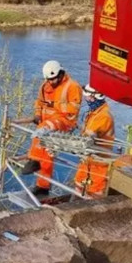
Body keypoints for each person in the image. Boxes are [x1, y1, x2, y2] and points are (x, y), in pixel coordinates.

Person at [19, 60, 83, 195]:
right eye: (49, 79)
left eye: (53, 79)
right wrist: (37, 114)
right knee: (46, 155)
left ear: (60, 74)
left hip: (65, 122)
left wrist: (54, 105)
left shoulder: (73, 86)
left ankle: (33, 160)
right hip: (48, 122)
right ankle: (43, 186)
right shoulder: (45, 86)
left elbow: (73, 109)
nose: (51, 82)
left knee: (41, 131)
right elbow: (39, 102)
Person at [74, 85, 115, 198]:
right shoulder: (95, 113)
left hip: (98, 165)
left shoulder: (103, 116)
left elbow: (90, 136)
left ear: (95, 97)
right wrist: (78, 126)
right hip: (87, 162)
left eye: (88, 98)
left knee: (94, 196)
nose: (87, 100)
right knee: (79, 188)